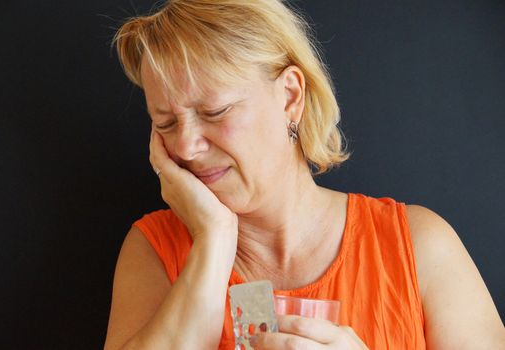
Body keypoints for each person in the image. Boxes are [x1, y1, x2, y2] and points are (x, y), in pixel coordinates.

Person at [104, 0, 505, 349]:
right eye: (166, 123)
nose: (187, 146)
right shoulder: (155, 251)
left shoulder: (418, 246)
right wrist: (214, 239)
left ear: (290, 96)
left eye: (215, 112)